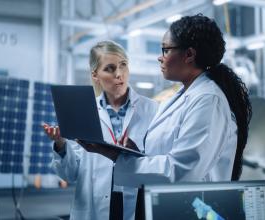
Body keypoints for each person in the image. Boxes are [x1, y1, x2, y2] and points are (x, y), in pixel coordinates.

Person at [79, 14, 251, 187]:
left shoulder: (208, 100)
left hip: (196, 208)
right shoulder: (180, 98)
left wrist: (119, 158)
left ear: (189, 54)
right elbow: (167, 158)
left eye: (166, 50)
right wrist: (134, 155)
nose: (160, 57)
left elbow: (182, 170)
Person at [43, 40, 158, 220]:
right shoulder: (83, 111)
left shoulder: (152, 110)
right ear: (95, 75)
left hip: (136, 202)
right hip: (93, 207)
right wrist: (60, 143)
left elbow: (160, 163)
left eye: (123, 65)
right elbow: (70, 174)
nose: (119, 74)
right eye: (110, 69)